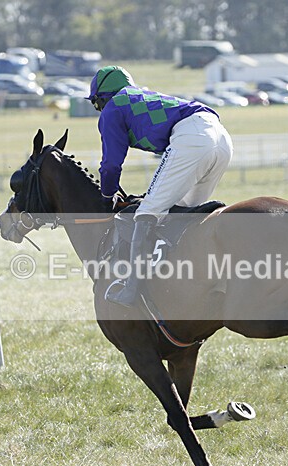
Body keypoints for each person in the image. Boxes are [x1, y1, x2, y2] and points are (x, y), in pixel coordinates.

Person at [87, 65, 233, 308]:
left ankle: (131, 289)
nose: (99, 110)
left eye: (96, 104)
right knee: (182, 212)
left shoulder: (113, 109)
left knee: (147, 212)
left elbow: (111, 164)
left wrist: (107, 195)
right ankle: (186, 279)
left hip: (193, 137)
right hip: (221, 137)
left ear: (103, 97)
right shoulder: (137, 98)